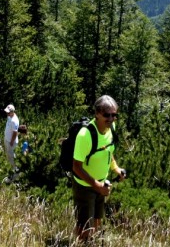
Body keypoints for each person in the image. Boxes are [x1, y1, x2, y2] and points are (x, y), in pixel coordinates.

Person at [71, 95, 127, 242]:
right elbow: (76, 167)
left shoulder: (111, 128)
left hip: (102, 184)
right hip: (85, 187)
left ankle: (92, 242)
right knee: (84, 226)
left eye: (114, 115)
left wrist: (116, 169)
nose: (111, 118)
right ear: (96, 114)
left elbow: (108, 152)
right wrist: (97, 185)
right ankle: (82, 243)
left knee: (97, 220)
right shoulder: (85, 135)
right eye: (106, 115)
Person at [4, 104, 20, 175]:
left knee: (12, 156)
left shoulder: (14, 121)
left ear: (12, 112)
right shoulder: (9, 116)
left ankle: (14, 171)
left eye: (8, 112)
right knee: (8, 155)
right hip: (7, 139)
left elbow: (15, 132)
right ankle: (9, 169)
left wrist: (11, 141)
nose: (7, 113)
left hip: (11, 142)